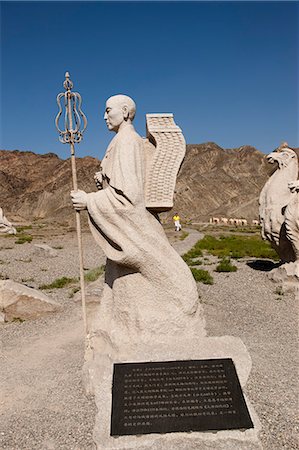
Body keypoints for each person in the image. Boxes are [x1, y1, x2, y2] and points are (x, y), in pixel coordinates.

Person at [71, 95, 199, 346]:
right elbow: (121, 184)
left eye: (109, 111)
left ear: (126, 111)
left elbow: (128, 196)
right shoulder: (122, 141)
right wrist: (104, 181)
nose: (104, 116)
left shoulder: (127, 141)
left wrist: (90, 201)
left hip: (135, 227)